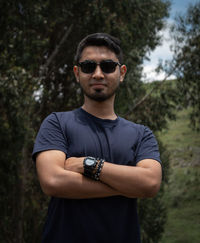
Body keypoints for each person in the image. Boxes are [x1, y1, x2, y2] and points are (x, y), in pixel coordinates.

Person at [32, 33, 162, 243]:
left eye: (108, 66)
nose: (98, 74)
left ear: (121, 72)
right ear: (77, 73)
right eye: (89, 66)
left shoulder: (141, 134)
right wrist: (126, 187)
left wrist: (88, 164)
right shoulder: (57, 123)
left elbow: (150, 183)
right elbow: (53, 181)